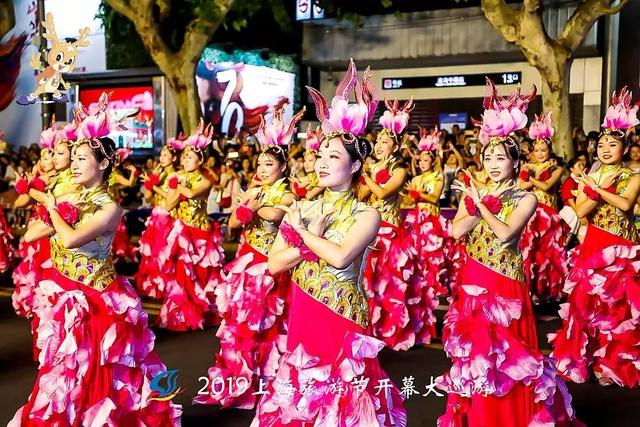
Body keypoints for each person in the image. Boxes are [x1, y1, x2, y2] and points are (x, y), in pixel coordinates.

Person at [252, 60, 406, 426]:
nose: (321, 162)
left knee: (345, 400)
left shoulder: (367, 214)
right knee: (303, 394)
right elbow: (274, 265)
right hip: (305, 310)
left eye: (333, 156)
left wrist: (306, 236)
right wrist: (306, 241)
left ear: (354, 167)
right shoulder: (301, 206)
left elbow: (339, 258)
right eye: (320, 155)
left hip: (343, 319)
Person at [9, 97, 180, 426]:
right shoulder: (68, 195)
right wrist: (50, 208)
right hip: (63, 293)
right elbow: (32, 236)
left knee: (98, 372)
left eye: (82, 158)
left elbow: (72, 239)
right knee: (62, 369)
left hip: (95, 298)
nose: (74, 164)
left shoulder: (109, 207)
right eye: (72, 157)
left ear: (102, 163)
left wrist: (51, 205)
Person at [436, 79, 580, 427]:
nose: (493, 162)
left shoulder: (525, 197)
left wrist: (483, 204)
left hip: (505, 282)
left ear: (516, 162)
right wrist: (472, 202)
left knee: (508, 354)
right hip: (474, 277)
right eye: (488, 157)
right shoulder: (477, 192)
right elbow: (457, 231)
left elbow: (504, 234)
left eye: (501, 157)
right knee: (476, 352)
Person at [195, 105, 300, 409]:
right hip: (246, 262)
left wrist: (252, 204)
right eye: (261, 163)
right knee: (242, 325)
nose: (263, 168)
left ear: (282, 167)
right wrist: (248, 206)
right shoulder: (255, 191)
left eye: (269, 164)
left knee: (271, 325)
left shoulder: (288, 195)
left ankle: (270, 380)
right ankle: (242, 379)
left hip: (273, 265)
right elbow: (232, 223)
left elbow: (275, 214)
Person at [549, 87, 640, 388]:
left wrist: (599, 190)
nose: (605, 149)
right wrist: (594, 190)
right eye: (601, 144)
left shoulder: (633, 175)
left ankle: (614, 364)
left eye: (612, 145)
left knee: (617, 308)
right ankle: (585, 359)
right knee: (586, 304)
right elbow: (580, 209)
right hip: (595, 243)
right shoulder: (592, 174)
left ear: (624, 149)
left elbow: (626, 204)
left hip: (622, 246)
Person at [155, 120, 225, 331]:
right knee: (181, 275)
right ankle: (181, 314)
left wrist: (177, 187)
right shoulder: (176, 176)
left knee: (201, 274)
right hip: (181, 230)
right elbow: (168, 204)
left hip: (200, 232)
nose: (185, 159)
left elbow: (194, 193)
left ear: (200, 159)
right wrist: (174, 189)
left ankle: (203, 311)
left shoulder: (204, 179)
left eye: (190, 156)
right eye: (184, 155)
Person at [360, 97, 417, 351]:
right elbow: (363, 196)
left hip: (390, 231)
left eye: (385, 141)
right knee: (369, 283)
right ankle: (372, 327)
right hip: (371, 229)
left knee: (389, 283)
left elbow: (383, 194)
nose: (379, 144)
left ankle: (392, 331)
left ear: (396, 144)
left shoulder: (400, 168)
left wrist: (365, 175)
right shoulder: (372, 167)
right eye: (378, 140)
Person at [402, 126, 449, 345]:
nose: (422, 163)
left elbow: (434, 197)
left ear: (432, 160)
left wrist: (416, 194)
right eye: (419, 160)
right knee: (416, 268)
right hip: (416, 222)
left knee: (431, 267)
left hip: (431, 224)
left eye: (425, 159)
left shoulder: (437, 176)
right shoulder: (416, 178)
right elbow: (409, 201)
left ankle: (432, 308)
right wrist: (410, 196)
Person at [518, 112, 569, 302]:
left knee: (549, 253)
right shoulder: (528, 167)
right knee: (529, 252)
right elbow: (520, 186)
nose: (540, 153)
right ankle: (528, 289)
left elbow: (547, 186)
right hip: (531, 214)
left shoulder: (556, 168)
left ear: (549, 150)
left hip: (548, 215)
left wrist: (530, 176)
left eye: (543, 150)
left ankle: (545, 290)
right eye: (537, 150)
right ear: (532, 150)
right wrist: (528, 176)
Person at [135, 135, 184, 299]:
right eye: (161, 155)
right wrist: (152, 180)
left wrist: (154, 185)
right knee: (153, 254)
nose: (162, 158)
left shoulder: (176, 175)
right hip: (156, 215)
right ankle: (155, 286)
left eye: (165, 155)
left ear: (174, 157)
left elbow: (170, 199)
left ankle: (167, 286)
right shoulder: (160, 173)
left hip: (169, 216)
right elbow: (148, 197)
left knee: (166, 254)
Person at [559, 156, 588, 245]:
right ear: (572, 169)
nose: (582, 167)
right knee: (565, 240)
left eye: (583, 165)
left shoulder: (584, 181)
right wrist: (581, 215)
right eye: (579, 165)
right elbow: (570, 200)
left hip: (580, 213)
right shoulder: (569, 181)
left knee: (584, 240)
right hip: (571, 212)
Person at [291, 125, 324, 200]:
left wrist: (296, 184)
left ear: (319, 161)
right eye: (305, 161)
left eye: (310, 160)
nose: (306, 164)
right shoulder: (306, 178)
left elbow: (309, 196)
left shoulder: (322, 180)